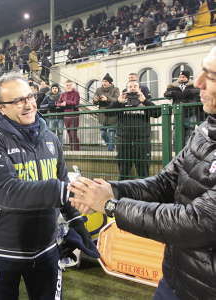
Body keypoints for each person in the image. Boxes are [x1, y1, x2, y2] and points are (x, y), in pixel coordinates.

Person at [68, 46, 216, 300]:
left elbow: (196, 222)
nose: (198, 82)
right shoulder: (207, 127)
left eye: (210, 76)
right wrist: (108, 190)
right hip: (175, 278)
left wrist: (111, 205)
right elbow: (163, 183)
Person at [0, 73, 90, 300]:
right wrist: (64, 192)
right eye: (19, 101)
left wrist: (77, 223)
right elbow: (5, 192)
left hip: (46, 248)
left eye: (30, 97)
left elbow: (63, 181)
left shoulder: (51, 138)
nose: (29, 105)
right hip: (1, 251)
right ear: (0, 108)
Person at [107, 80, 160, 180]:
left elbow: (157, 113)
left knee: (143, 173)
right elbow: (107, 113)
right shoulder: (121, 104)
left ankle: (144, 194)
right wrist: (118, 102)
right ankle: (122, 194)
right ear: (126, 90)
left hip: (142, 142)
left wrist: (145, 101)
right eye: (130, 86)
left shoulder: (145, 102)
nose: (133, 88)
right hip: (124, 141)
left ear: (140, 89)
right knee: (123, 173)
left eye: (135, 86)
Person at [164, 70, 200, 148]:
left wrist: (189, 92)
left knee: (189, 133)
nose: (181, 79)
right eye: (180, 77)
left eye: (183, 77)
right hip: (178, 113)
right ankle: (177, 152)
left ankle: (187, 151)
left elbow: (198, 91)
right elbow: (166, 93)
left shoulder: (193, 86)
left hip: (190, 113)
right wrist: (174, 93)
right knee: (176, 133)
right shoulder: (173, 86)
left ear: (187, 78)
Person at [93, 73, 119, 151]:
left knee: (111, 133)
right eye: (103, 81)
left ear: (109, 82)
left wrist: (107, 99)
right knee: (103, 133)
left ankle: (110, 151)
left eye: (106, 81)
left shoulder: (115, 89)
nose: (104, 83)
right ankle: (111, 146)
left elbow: (117, 100)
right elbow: (93, 102)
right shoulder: (98, 90)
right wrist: (95, 100)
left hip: (112, 114)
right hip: (102, 114)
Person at [57, 80, 80, 151]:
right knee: (69, 133)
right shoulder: (63, 94)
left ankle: (76, 149)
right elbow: (58, 103)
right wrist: (61, 104)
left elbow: (76, 102)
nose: (68, 86)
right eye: (67, 85)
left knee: (73, 133)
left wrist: (66, 102)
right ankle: (72, 149)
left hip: (74, 115)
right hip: (66, 116)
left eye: (70, 85)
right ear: (65, 86)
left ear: (72, 86)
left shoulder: (76, 93)